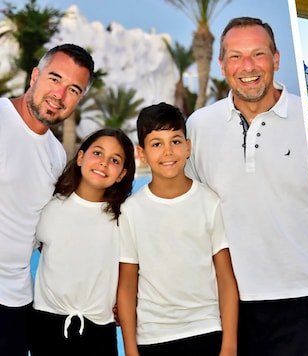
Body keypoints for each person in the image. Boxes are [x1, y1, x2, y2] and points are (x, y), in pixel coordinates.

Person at [185, 17, 308, 355]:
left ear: (276, 59)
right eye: (236, 56)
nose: (248, 67)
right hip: (230, 304)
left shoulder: (307, 120)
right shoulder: (199, 126)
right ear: (222, 64)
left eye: (258, 54)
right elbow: (187, 215)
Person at [117, 103, 238, 356]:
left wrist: (229, 345)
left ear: (188, 147)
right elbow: (127, 284)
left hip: (206, 331)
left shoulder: (209, 202)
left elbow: (225, 278)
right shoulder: (131, 211)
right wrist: (130, 349)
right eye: (156, 144)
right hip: (153, 338)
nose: (168, 152)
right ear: (142, 153)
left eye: (175, 141)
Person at [0, 43, 94, 356]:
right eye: (54, 79)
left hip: (16, 301)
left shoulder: (55, 156)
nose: (60, 94)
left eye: (73, 89)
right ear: (35, 75)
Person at [29, 128, 135, 355]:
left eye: (114, 160)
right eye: (97, 153)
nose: (103, 163)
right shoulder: (49, 207)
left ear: (122, 174)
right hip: (47, 324)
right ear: (80, 157)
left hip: (99, 329)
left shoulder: (124, 218)